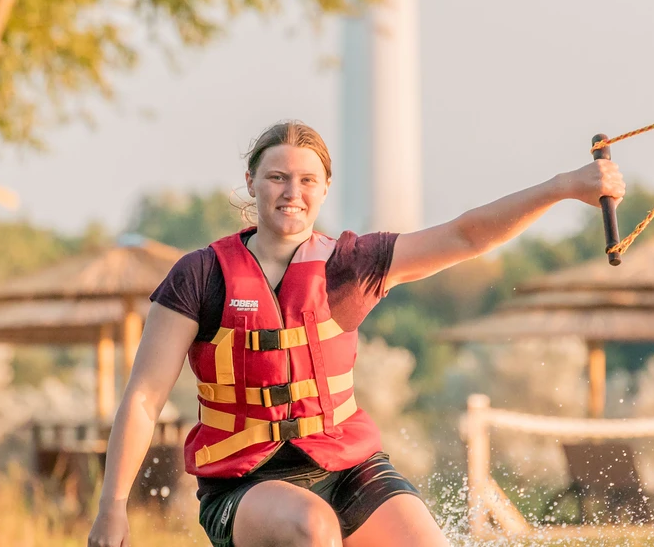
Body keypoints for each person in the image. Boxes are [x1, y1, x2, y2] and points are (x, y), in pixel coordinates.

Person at [88, 121, 624, 547]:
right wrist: (113, 507)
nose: (290, 192)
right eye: (276, 177)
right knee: (312, 529)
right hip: (243, 486)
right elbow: (142, 399)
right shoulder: (199, 276)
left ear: (324, 188)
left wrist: (564, 187)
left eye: (306, 180)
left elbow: (466, 234)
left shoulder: (351, 264)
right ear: (251, 183)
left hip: (348, 469)